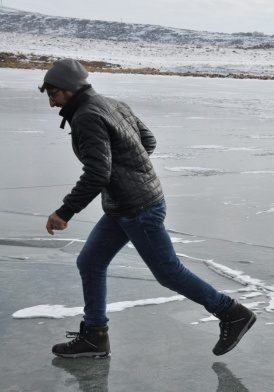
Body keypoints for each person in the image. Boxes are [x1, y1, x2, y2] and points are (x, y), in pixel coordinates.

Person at [39, 59, 256, 358]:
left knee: (169, 272)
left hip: (137, 208)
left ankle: (232, 313)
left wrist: (64, 212)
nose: (51, 102)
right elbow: (147, 142)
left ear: (68, 89)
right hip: (127, 205)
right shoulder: (113, 104)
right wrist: (129, 170)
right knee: (90, 262)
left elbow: (97, 173)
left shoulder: (87, 116)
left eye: (53, 94)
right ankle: (95, 336)